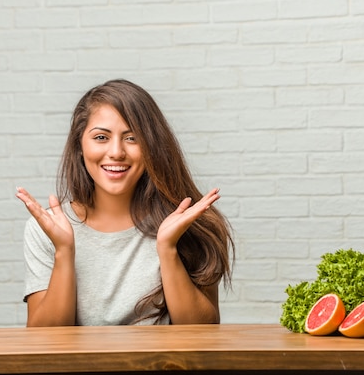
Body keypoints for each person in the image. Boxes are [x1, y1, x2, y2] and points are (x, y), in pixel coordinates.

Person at [16, 79, 234, 327]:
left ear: (152, 146)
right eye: (101, 137)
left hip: (163, 367)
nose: (117, 152)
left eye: (132, 138)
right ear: (79, 145)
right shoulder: (47, 230)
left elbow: (203, 335)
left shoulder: (193, 224)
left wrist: (168, 249)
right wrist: (64, 251)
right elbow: (44, 340)